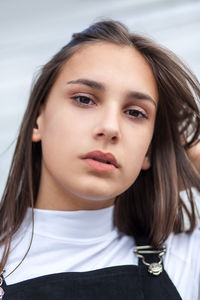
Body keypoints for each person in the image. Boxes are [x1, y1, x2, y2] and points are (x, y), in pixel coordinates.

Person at [0, 20, 200, 300]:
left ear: (149, 150)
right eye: (84, 99)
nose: (110, 127)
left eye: (135, 113)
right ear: (37, 119)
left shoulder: (187, 259)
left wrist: (185, 157)